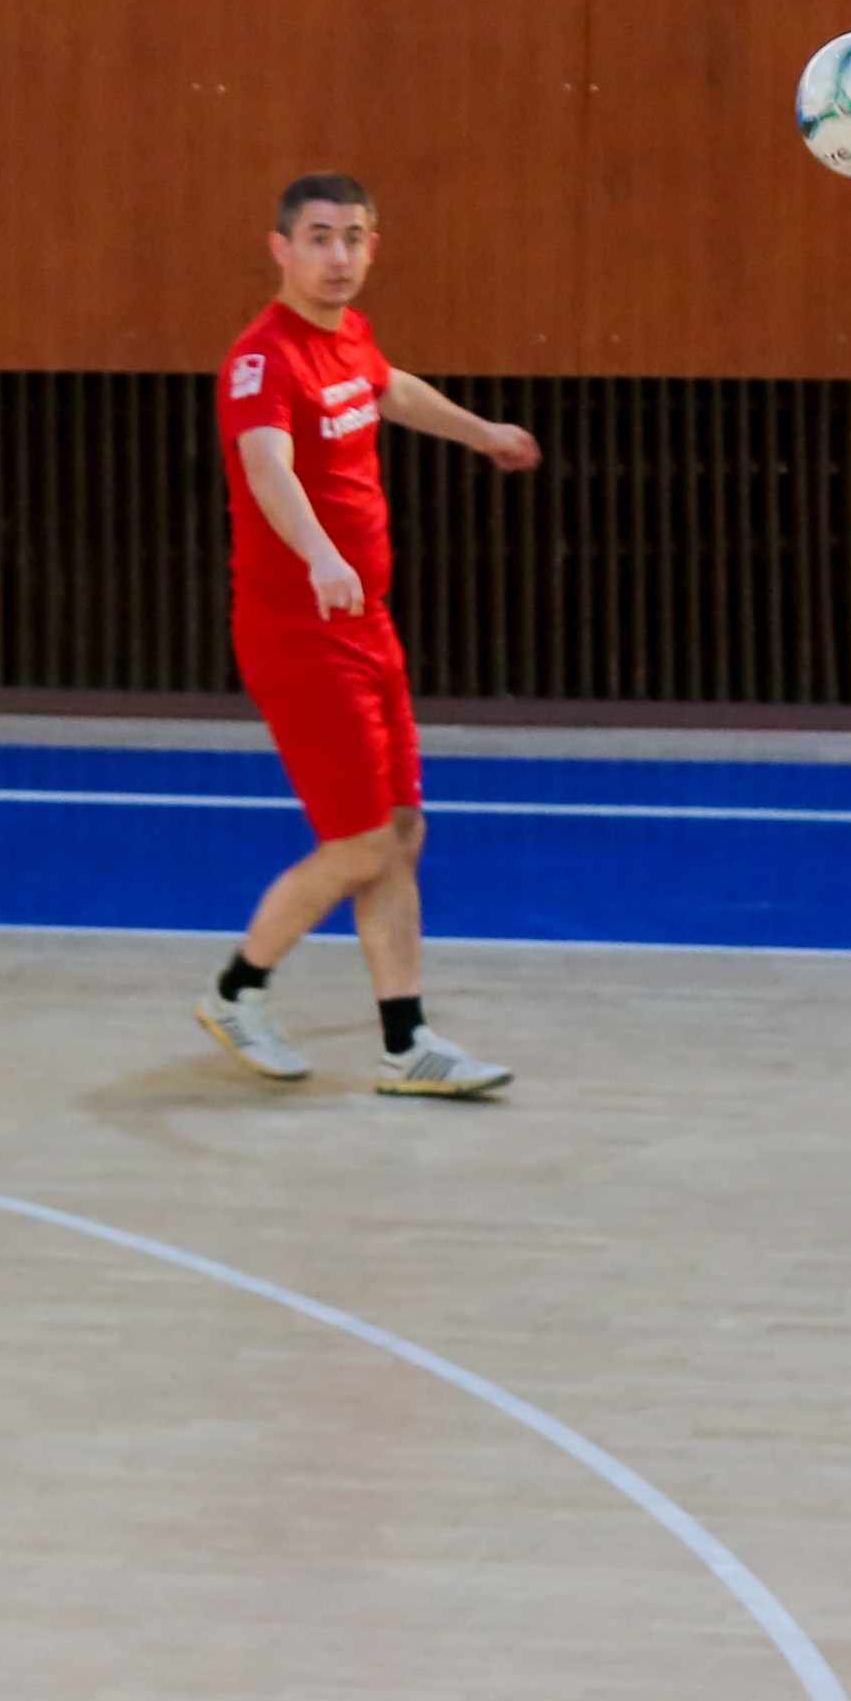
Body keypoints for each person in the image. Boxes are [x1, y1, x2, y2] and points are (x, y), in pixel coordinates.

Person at [191, 173, 543, 1100]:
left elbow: (389, 391)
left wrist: (481, 432)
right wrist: (317, 553)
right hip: (299, 633)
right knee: (358, 845)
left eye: (353, 237)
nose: (338, 255)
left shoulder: (347, 336)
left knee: (399, 830)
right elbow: (265, 466)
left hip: (366, 625)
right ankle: (235, 992)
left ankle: (404, 1042)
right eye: (318, 237)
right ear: (281, 248)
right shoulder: (262, 359)